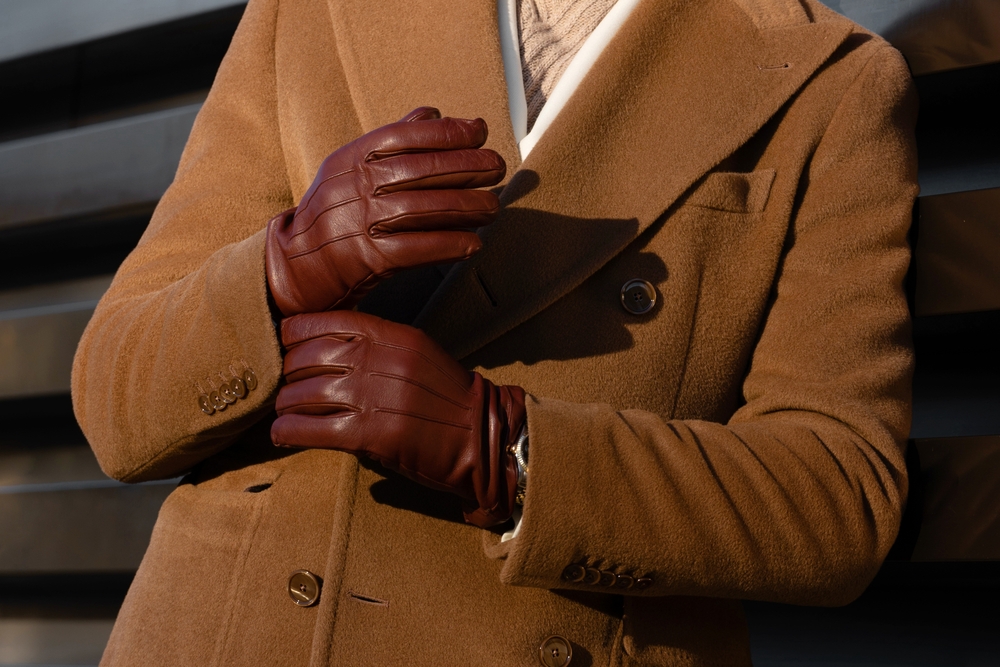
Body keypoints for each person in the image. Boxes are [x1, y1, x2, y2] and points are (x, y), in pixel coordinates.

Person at [71, 0, 918, 664]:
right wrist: (281, 268)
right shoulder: (310, 9)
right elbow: (115, 404)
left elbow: (841, 495)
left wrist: (507, 448)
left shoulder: (831, 80)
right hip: (229, 636)